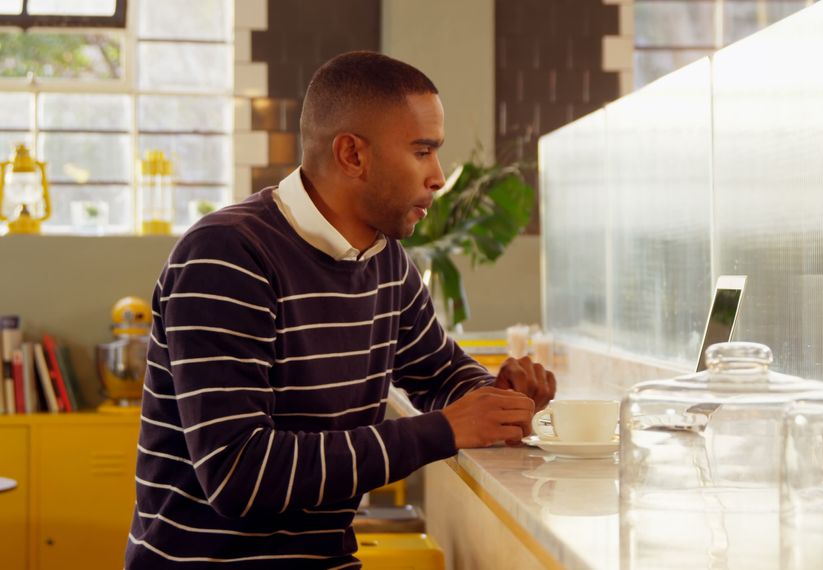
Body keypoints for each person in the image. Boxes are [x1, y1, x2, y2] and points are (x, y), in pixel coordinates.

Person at [125, 51, 556, 569]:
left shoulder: (385, 260)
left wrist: (496, 398)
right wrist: (444, 429)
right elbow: (240, 473)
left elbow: (438, 370)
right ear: (352, 154)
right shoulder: (226, 255)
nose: (439, 176)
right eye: (423, 151)